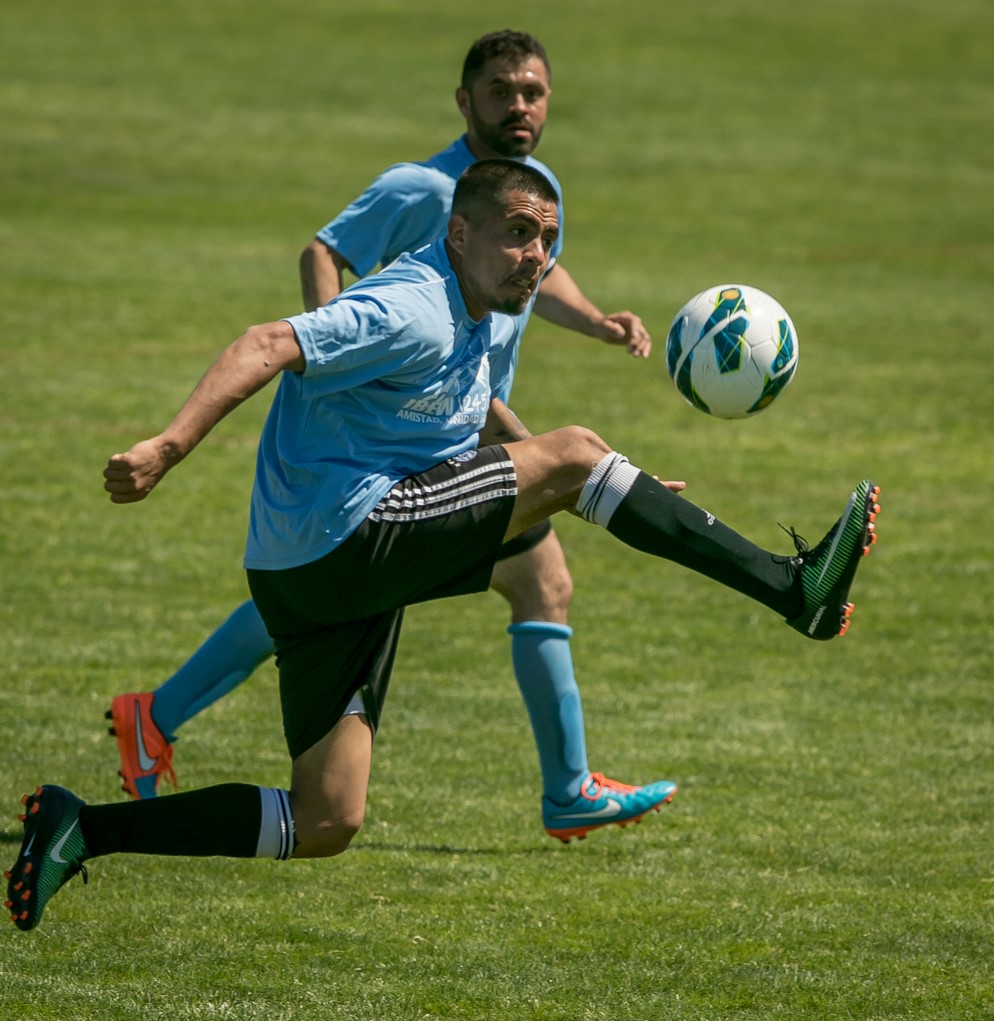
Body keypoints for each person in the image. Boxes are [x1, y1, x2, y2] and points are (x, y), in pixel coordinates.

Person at [6, 159, 880, 931]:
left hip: (302, 575)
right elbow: (269, 341)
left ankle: (84, 828)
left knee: (327, 819)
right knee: (575, 456)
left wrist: (618, 486)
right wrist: (168, 446)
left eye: (548, 240)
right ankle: (790, 588)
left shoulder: (479, 313)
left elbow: (479, 415)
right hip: (348, 533)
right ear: (460, 233)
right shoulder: (412, 305)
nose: (536, 254)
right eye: (518, 233)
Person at [105, 29, 678, 844]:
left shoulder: (533, 191)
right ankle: (568, 790)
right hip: (403, 440)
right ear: (465, 101)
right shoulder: (423, 189)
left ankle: (155, 715)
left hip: (464, 424)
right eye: (501, 91)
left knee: (527, 581)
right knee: (495, 580)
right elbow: (324, 251)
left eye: (532, 91)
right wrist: (332, 366)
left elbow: (541, 272)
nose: (519, 105)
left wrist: (594, 320)